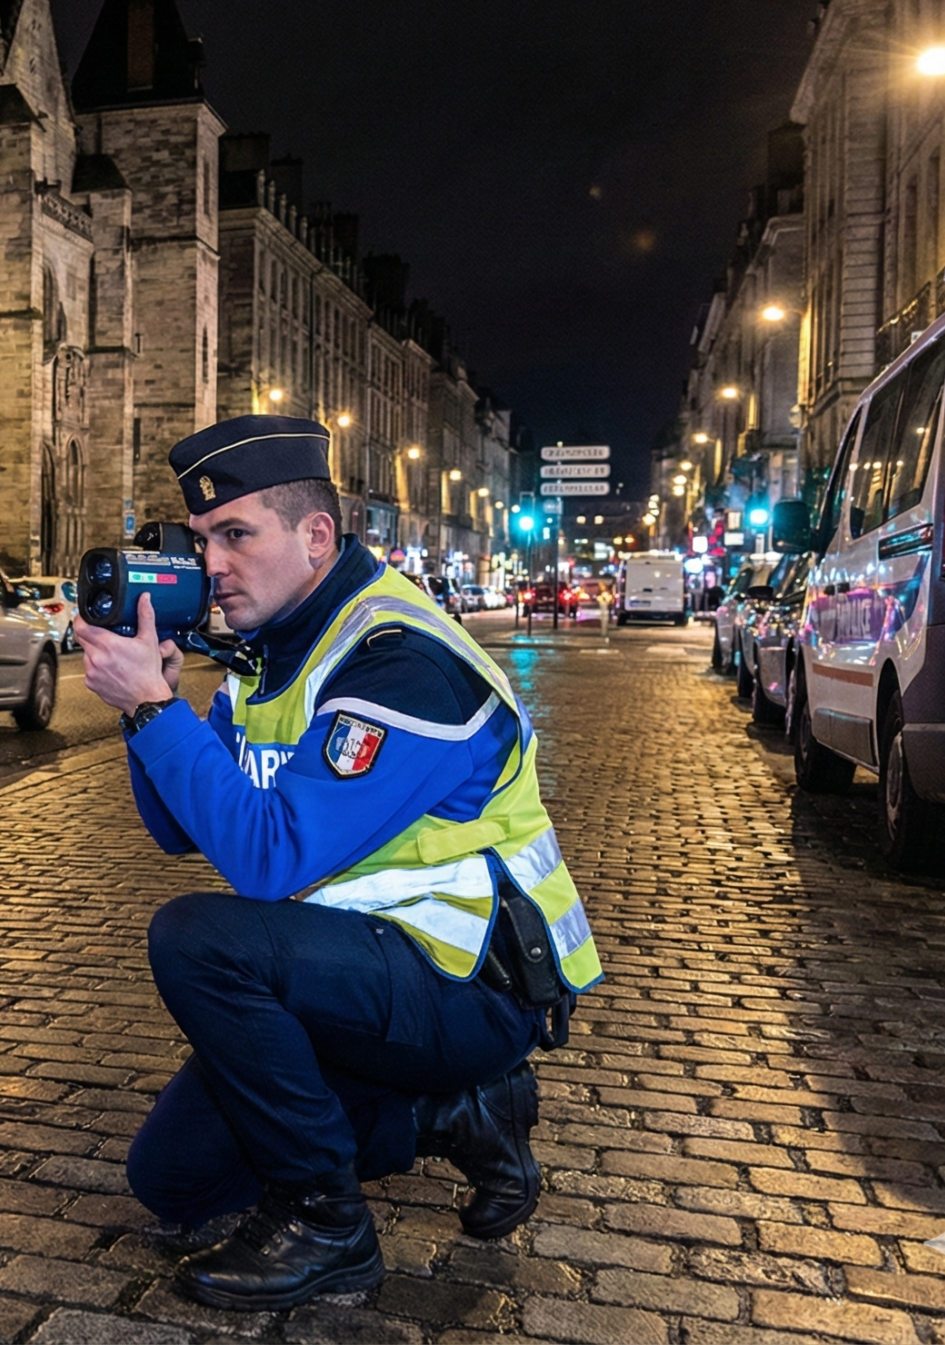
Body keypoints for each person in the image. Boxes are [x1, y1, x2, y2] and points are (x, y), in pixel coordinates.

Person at [72, 415, 603, 1312]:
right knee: (174, 1181)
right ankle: (460, 1115)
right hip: (355, 974)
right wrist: (146, 702)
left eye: (237, 535)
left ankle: (326, 1225)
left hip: (474, 982)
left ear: (317, 536)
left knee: (200, 939)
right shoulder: (271, 653)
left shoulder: (400, 658)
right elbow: (176, 828)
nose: (213, 565)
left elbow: (268, 860)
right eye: (202, 540)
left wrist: (160, 710)